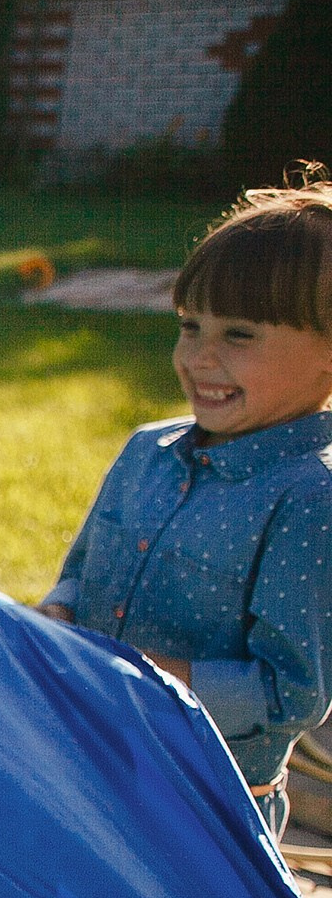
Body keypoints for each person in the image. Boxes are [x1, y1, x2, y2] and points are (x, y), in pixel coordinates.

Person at [40, 180, 332, 838]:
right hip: (81, 768)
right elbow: (80, 573)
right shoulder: (148, 449)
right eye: (189, 326)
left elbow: (292, 692)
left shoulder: (310, 500)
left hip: (200, 819)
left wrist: (141, 678)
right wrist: (56, 615)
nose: (199, 356)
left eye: (239, 334)